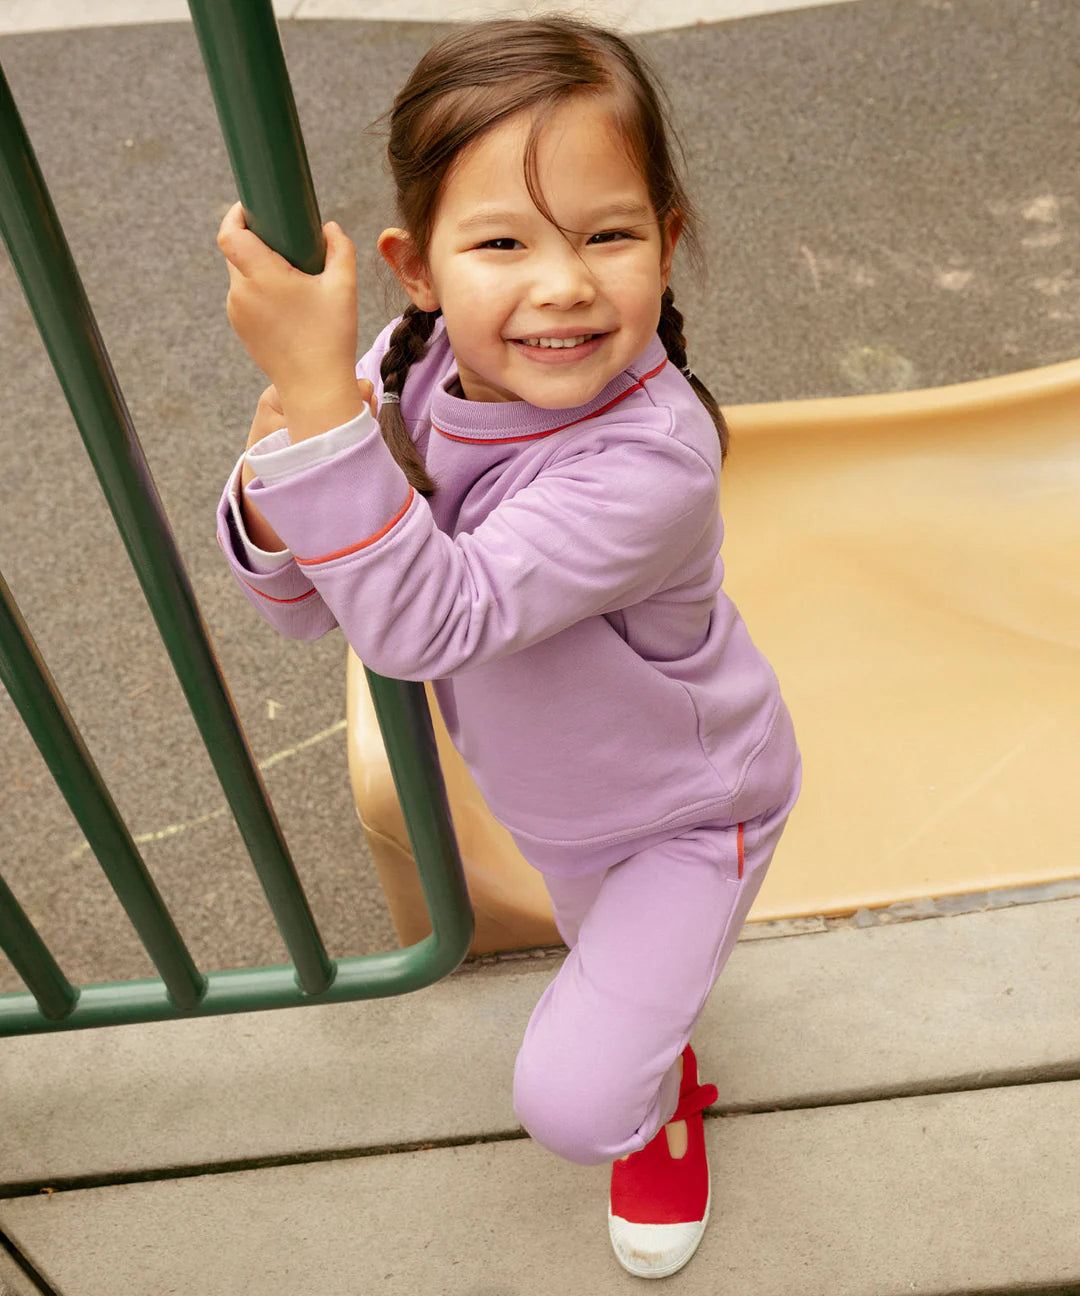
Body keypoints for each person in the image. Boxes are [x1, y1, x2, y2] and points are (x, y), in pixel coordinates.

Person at [215, 15, 800, 1281]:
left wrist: (324, 420)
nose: (564, 284)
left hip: (684, 813)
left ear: (667, 242)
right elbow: (306, 604)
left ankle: (655, 1103)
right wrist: (289, 467)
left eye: (607, 233)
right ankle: (653, 1038)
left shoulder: (651, 459)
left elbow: (431, 617)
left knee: (578, 1104)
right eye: (501, 242)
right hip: (556, 799)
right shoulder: (415, 366)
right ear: (415, 269)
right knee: (612, 973)